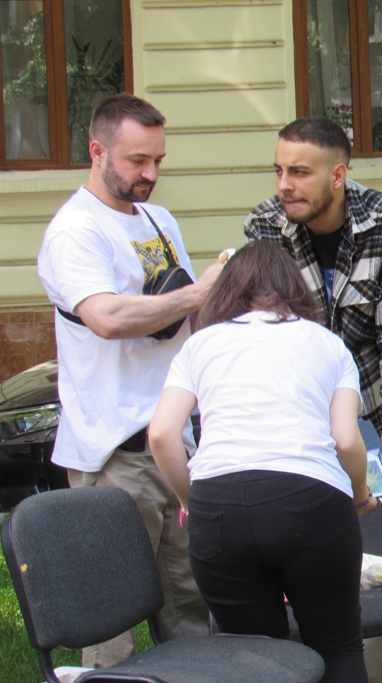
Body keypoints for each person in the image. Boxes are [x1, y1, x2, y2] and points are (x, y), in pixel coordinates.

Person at [243, 117, 382, 674]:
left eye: (300, 172)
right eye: (279, 170)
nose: (285, 185)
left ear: (338, 175)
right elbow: (265, 343)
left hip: (379, 417)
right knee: (306, 554)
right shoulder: (264, 226)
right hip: (300, 429)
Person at [36, 94, 221, 667]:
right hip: (112, 455)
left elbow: (186, 315)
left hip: (172, 445)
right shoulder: (75, 231)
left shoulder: (158, 220)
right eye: (138, 160)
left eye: (158, 160)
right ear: (97, 151)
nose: (151, 173)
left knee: (191, 608)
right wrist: (198, 293)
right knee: (110, 627)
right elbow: (108, 317)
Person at [148, 241, 375, 683]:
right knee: (338, 646)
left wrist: (192, 501)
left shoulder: (199, 345)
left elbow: (161, 434)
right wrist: (360, 495)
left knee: (253, 660)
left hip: (219, 509)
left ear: (225, 292)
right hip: (312, 500)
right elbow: (347, 441)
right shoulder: (328, 344)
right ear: (295, 288)